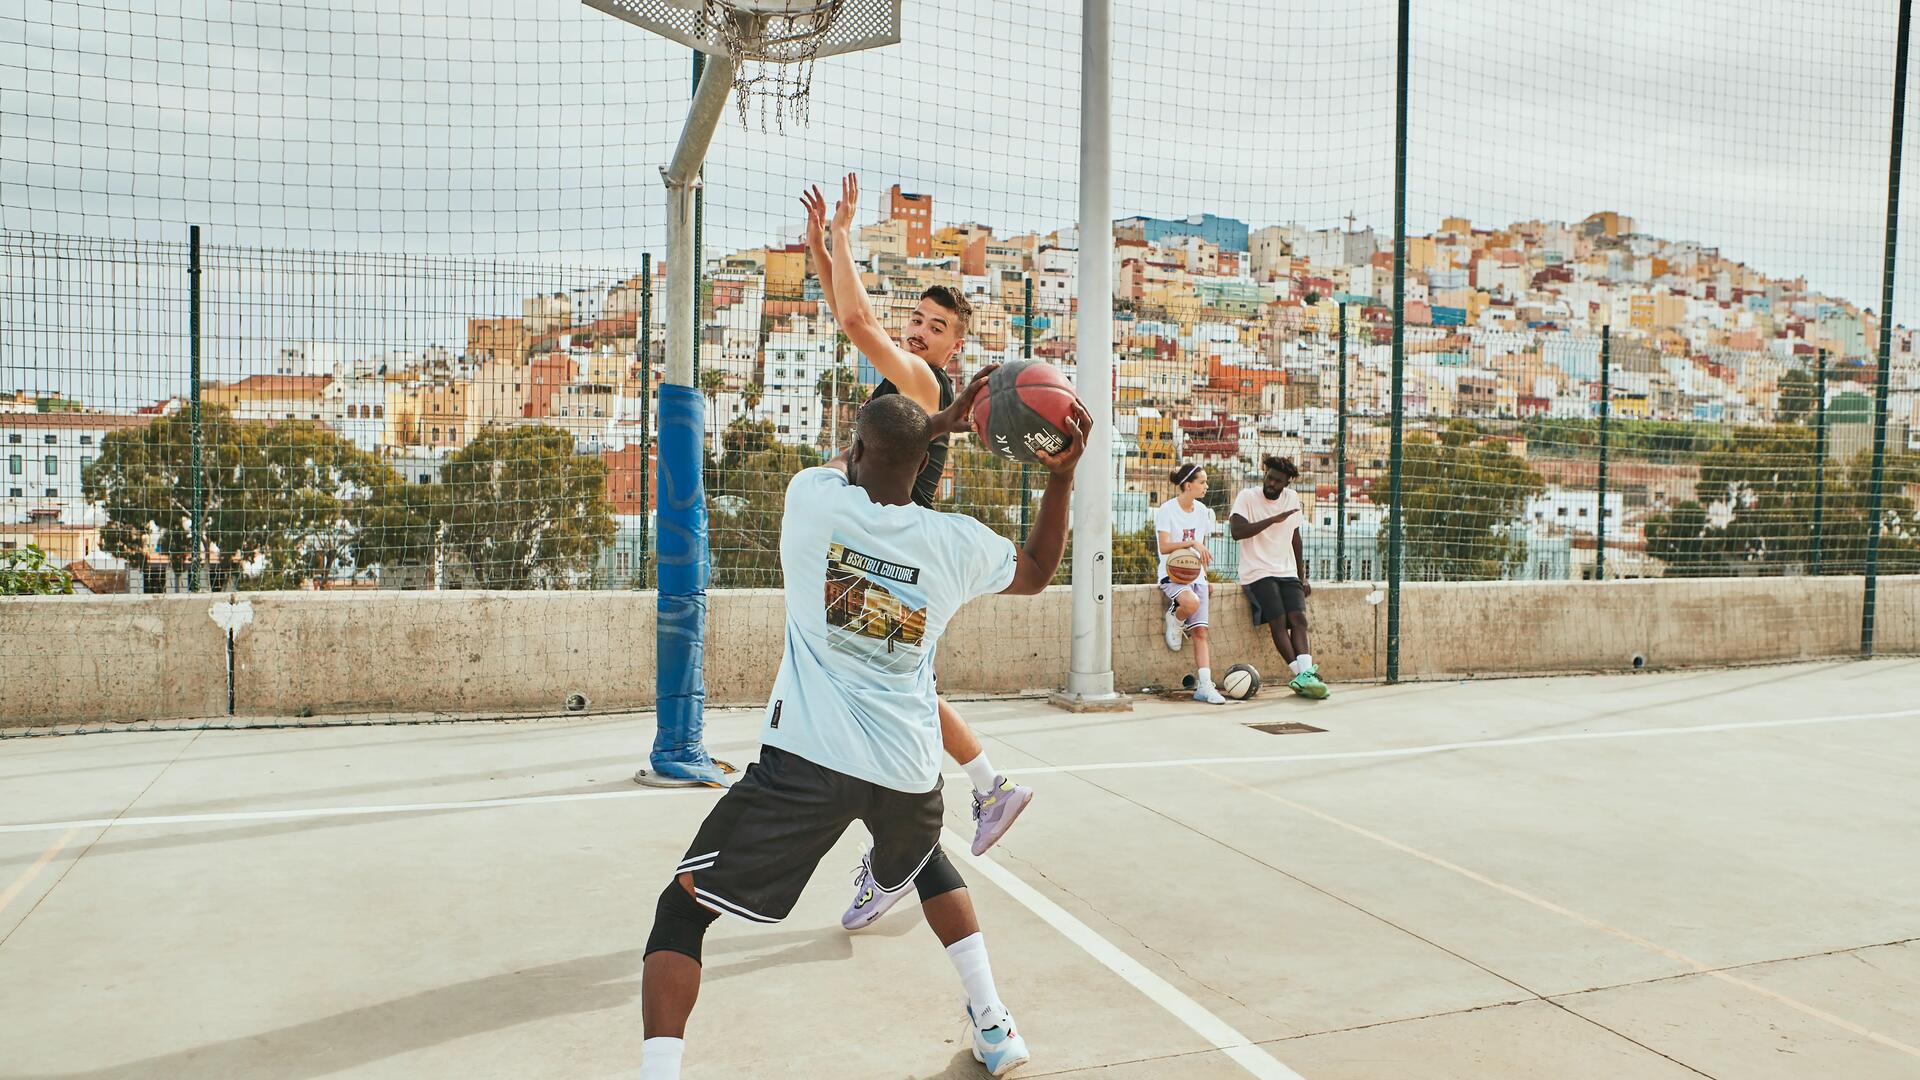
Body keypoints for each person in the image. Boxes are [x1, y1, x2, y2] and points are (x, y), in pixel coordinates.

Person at [636, 385, 1091, 1080]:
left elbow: (849, 462)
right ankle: (994, 1024)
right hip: (908, 772)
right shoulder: (955, 544)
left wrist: (933, 424)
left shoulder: (812, 501)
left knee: (681, 910)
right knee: (927, 858)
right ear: (921, 464)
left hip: (807, 763)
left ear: (855, 451)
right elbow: (1033, 573)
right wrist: (1061, 477)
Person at [802, 176, 1034, 930]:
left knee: (881, 713)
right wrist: (821, 245)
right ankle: (986, 790)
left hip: (893, 558)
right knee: (894, 700)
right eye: (918, 319)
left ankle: (908, 852)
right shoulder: (909, 373)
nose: (919, 331)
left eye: (935, 325)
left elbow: (854, 317)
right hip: (880, 553)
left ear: (955, 345)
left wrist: (842, 238)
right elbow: (852, 313)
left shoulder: (924, 379)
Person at [1229, 456, 1329, 699]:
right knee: (1278, 619)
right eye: (1269, 478)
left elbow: (1295, 538)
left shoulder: (1291, 499)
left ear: (1286, 483)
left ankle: (1307, 675)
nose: (1271, 484)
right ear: (1265, 473)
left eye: (1278, 481)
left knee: (1299, 619)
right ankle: (1300, 676)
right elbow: (1237, 532)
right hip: (1257, 571)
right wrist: (1272, 520)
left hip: (1285, 570)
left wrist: (1301, 576)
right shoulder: (1247, 497)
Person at [1155, 462, 1225, 704]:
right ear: (1188, 485)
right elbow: (1164, 546)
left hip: (1197, 576)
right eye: (1202, 482)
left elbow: (1203, 550)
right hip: (1172, 574)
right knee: (1190, 603)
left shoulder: (1203, 511)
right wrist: (1191, 543)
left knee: (1201, 631)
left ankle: (1205, 686)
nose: (1206, 486)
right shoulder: (1166, 510)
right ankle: (1175, 617)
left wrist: (1206, 577)